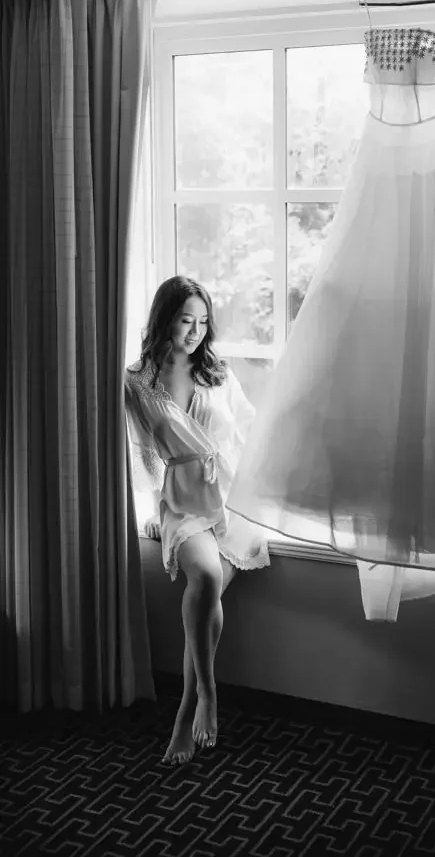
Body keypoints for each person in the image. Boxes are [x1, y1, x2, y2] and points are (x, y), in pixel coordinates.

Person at [124, 276, 270, 765]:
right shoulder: (137, 381)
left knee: (207, 603)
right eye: (186, 320)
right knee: (205, 578)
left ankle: (185, 712)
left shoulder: (218, 372)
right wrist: (153, 509)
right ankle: (206, 695)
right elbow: (142, 452)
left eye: (203, 322)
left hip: (231, 498)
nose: (195, 332)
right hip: (183, 501)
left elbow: (249, 429)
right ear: (164, 319)